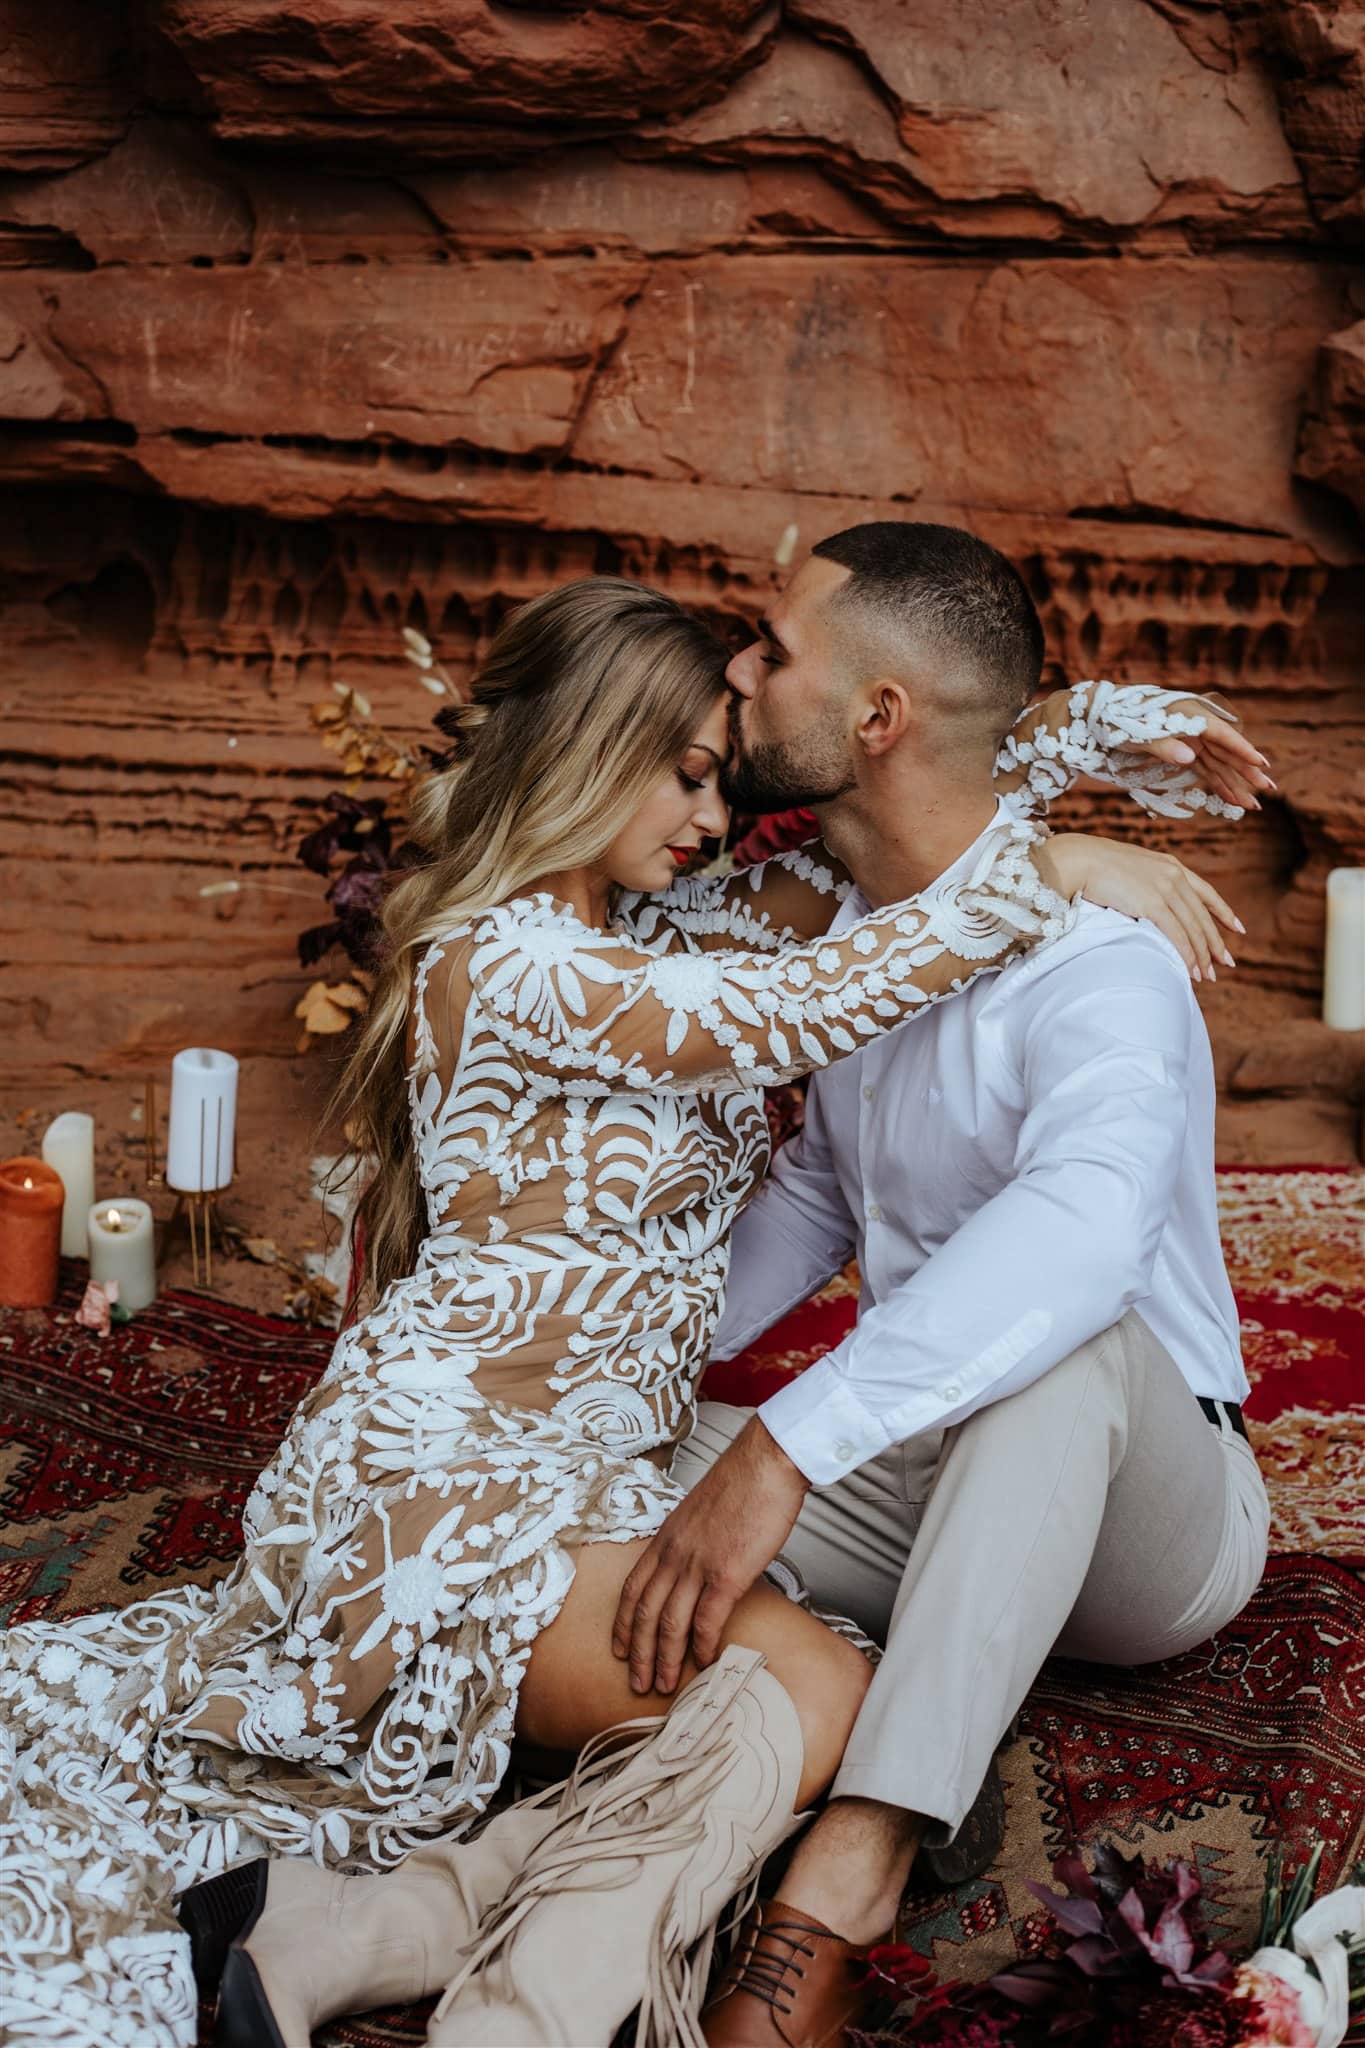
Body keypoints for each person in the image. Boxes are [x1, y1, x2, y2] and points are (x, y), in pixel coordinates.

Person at [0, 573, 1262, 2048]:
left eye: (720, 772)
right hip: (456, 1476)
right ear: (586, 750)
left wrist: (1055, 783)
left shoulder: (695, 926)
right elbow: (817, 1003)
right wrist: (1045, 860)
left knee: (846, 1613)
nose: (714, 821)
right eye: (682, 775)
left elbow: (913, 814)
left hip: (1049, 1458)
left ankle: (408, 1954)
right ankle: (507, 1984)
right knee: (813, 1692)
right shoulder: (519, 960)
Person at [602, 524, 1275, 2046]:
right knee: (578, 1444)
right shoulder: (860, 946)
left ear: (878, 717)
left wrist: (783, 1444)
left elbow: (1086, 1233)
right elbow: (820, 1195)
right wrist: (623, 1364)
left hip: (1141, 1509)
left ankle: (849, 1875)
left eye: (772, 650)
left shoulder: (1102, 959)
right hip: (918, 1478)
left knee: (1062, 1337)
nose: (738, 671)